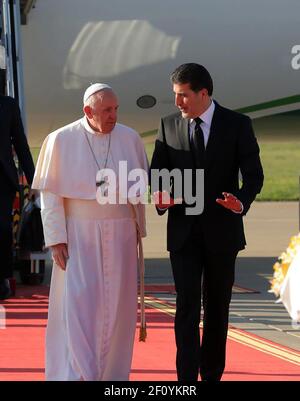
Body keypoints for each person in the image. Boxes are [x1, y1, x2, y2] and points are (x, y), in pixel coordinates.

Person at [150, 63, 264, 381]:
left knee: (217, 309)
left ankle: (211, 374)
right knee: (186, 309)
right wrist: (162, 194)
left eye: (183, 95)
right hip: (183, 234)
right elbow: (157, 173)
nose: (177, 103)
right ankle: (185, 380)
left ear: (203, 93)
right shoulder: (168, 124)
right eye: (175, 95)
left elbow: (254, 175)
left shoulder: (237, 124)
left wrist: (241, 201)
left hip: (222, 233)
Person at [32, 83, 148, 381]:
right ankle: (76, 374)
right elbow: (51, 195)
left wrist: (138, 231)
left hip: (121, 235)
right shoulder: (60, 139)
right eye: (107, 110)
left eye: (116, 109)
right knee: (79, 308)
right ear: (88, 111)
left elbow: (139, 190)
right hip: (79, 236)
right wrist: (56, 238)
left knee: (119, 311)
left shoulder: (130, 138)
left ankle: (112, 376)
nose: (113, 116)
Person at [0, 94, 35, 300]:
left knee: (2, 228)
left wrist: (34, 179)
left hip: (2, 178)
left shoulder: (8, 105)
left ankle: (2, 278)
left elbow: (20, 142)